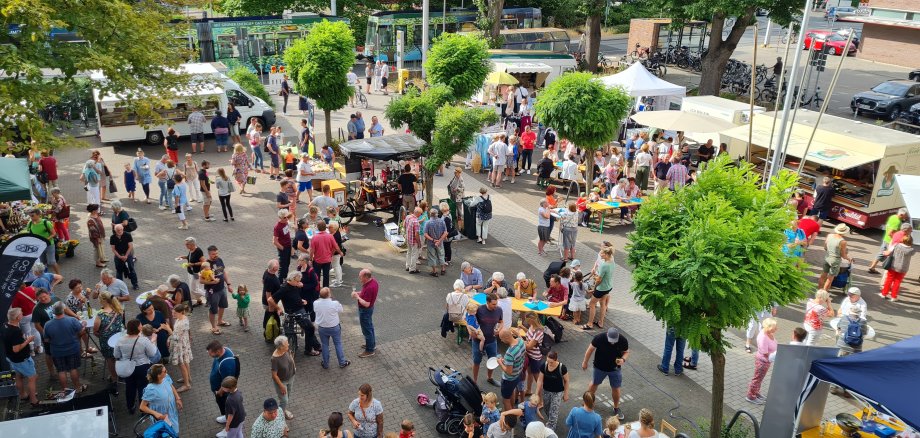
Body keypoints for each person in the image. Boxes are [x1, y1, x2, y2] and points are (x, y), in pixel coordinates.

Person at [269, 271, 321, 356]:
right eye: (297, 281)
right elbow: (270, 300)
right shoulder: (284, 288)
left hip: (300, 309)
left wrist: (301, 300)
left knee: (309, 328)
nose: (299, 283)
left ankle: (313, 347)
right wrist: (278, 308)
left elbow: (293, 297)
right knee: (310, 328)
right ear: (292, 279)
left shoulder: (294, 286)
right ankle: (311, 349)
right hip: (295, 313)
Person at [583, 328, 629, 420]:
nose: (612, 343)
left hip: (615, 369)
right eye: (611, 340)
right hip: (599, 367)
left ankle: (616, 408)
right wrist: (585, 362)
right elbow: (590, 350)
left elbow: (626, 352)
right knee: (594, 383)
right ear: (607, 334)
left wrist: (623, 359)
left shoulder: (623, 340)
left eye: (614, 341)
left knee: (616, 388)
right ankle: (587, 403)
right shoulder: (599, 338)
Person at [115, 319, 159, 413]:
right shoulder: (143, 340)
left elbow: (116, 355)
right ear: (138, 328)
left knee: (130, 387)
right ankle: (143, 409)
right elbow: (152, 353)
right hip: (142, 367)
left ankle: (130, 407)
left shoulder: (120, 340)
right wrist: (153, 341)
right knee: (143, 387)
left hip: (128, 368)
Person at [3, 308, 39, 406]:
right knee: (33, 377)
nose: (23, 314)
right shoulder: (15, 331)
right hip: (21, 359)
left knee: (18, 376)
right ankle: (33, 400)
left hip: (12, 359)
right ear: (17, 317)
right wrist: (28, 340)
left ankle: (22, 395)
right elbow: (16, 349)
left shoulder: (6, 325)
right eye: (21, 313)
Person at [472, 292, 503, 385]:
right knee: (476, 361)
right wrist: (472, 333)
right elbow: (471, 322)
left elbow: (501, 322)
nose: (495, 306)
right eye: (493, 304)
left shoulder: (499, 310)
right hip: (478, 341)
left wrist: (499, 329)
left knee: (492, 360)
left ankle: (490, 378)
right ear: (487, 302)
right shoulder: (479, 310)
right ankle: (474, 382)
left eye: (496, 303)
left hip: (492, 341)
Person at [140, 364, 182, 432]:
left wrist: (177, 398)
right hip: (161, 418)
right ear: (158, 375)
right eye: (164, 371)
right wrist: (155, 413)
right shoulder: (151, 389)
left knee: (174, 432)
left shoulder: (166, 377)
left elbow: (171, 386)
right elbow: (142, 407)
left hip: (172, 412)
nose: (166, 372)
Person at [746, 317, 778, 404]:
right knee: (757, 378)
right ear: (767, 327)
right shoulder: (763, 337)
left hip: (767, 361)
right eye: (774, 327)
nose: (776, 329)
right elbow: (764, 352)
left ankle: (756, 392)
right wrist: (775, 356)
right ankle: (750, 396)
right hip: (763, 361)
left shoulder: (768, 333)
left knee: (760, 378)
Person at [209, 341, 239, 428]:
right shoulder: (224, 350)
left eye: (211, 353)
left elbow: (227, 382)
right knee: (223, 406)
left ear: (218, 351)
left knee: (227, 407)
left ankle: (228, 427)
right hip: (218, 389)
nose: (210, 355)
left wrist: (219, 392)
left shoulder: (226, 364)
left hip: (223, 392)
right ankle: (225, 416)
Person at [202, 245, 232, 334]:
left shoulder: (219, 260)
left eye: (216, 253)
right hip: (212, 292)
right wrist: (212, 282)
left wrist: (229, 284)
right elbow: (201, 280)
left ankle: (220, 321)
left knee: (222, 305)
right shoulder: (206, 265)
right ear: (209, 254)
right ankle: (213, 327)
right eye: (213, 254)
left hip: (222, 288)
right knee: (213, 310)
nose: (215, 255)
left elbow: (224, 272)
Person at [536, 351, 569, 429]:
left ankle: (551, 427)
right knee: (546, 408)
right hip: (546, 391)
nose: (549, 364)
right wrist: (536, 393)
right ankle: (552, 420)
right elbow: (540, 380)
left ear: (556, 359)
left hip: (557, 392)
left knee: (553, 411)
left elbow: (566, 381)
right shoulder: (544, 366)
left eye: (551, 362)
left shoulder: (562, 368)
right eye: (548, 361)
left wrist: (566, 393)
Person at [584, 247, 614, 330]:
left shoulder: (604, 265)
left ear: (607, 254)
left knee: (592, 304)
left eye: (602, 253)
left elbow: (599, 279)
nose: (600, 255)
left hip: (601, 288)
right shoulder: (612, 261)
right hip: (608, 286)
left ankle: (590, 323)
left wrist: (594, 288)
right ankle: (601, 322)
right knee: (603, 303)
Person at [269, 335, 297, 420]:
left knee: (287, 397)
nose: (288, 345)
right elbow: (274, 375)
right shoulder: (275, 359)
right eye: (286, 344)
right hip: (282, 382)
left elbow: (291, 356)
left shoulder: (286, 350)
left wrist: (294, 367)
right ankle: (280, 420)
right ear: (281, 347)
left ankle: (284, 411)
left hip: (291, 377)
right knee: (284, 400)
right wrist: (281, 386)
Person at [497, 328, 526, 410]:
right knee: (511, 393)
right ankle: (512, 408)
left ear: (506, 338)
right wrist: (505, 361)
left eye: (501, 339)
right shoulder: (520, 341)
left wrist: (500, 363)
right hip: (518, 374)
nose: (501, 341)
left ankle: (510, 419)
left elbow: (508, 372)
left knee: (506, 400)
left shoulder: (509, 353)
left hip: (509, 379)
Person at [879, 234, 914, 302]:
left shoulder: (896, 245)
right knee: (897, 282)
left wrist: (883, 253)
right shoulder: (911, 250)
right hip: (903, 268)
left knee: (889, 280)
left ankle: (884, 294)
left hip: (893, 266)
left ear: (902, 240)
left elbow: (888, 253)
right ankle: (893, 296)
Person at [818, 223, 852, 291]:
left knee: (823, 275)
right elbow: (843, 255)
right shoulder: (843, 241)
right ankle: (824, 294)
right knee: (829, 279)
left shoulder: (829, 235)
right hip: (835, 260)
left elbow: (825, 247)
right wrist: (849, 258)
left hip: (827, 257)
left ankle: (819, 291)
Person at [353, 269, 378, 358]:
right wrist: (358, 293)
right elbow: (364, 293)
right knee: (370, 327)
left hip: (365, 311)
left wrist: (357, 297)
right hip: (369, 309)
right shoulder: (373, 281)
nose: (359, 278)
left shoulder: (369, 287)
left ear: (366, 277)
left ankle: (369, 350)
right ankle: (371, 344)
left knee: (366, 330)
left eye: (361, 276)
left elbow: (366, 304)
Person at [24, 208, 59, 274]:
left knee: (51, 262)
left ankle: (59, 276)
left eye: (32, 216)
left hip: (49, 244)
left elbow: (54, 234)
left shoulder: (46, 222)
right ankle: (44, 276)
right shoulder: (30, 223)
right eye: (30, 216)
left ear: (38, 215)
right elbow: (29, 233)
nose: (31, 217)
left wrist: (45, 240)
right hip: (39, 246)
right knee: (42, 263)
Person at [310, 221, 342, 288]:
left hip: (317, 260)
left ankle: (317, 289)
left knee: (317, 276)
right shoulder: (330, 236)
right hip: (327, 260)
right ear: (325, 227)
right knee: (326, 275)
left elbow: (312, 250)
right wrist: (339, 252)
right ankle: (326, 289)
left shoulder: (314, 237)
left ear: (317, 228)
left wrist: (311, 258)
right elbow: (336, 247)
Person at [110, 223, 139, 290]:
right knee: (119, 271)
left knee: (131, 269)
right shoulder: (112, 237)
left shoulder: (127, 235)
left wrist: (126, 255)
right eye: (118, 230)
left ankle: (135, 284)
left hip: (127, 255)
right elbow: (113, 249)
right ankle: (120, 286)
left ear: (123, 229)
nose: (120, 231)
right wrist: (119, 256)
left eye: (121, 230)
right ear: (115, 230)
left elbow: (130, 246)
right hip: (118, 256)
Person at [424, 207, 448, 276]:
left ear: (430, 214)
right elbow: (445, 232)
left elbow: (425, 234)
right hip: (440, 243)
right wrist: (439, 241)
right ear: (437, 214)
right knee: (441, 255)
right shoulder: (442, 221)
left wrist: (433, 240)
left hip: (431, 243)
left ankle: (434, 271)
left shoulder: (427, 223)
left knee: (432, 256)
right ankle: (443, 269)